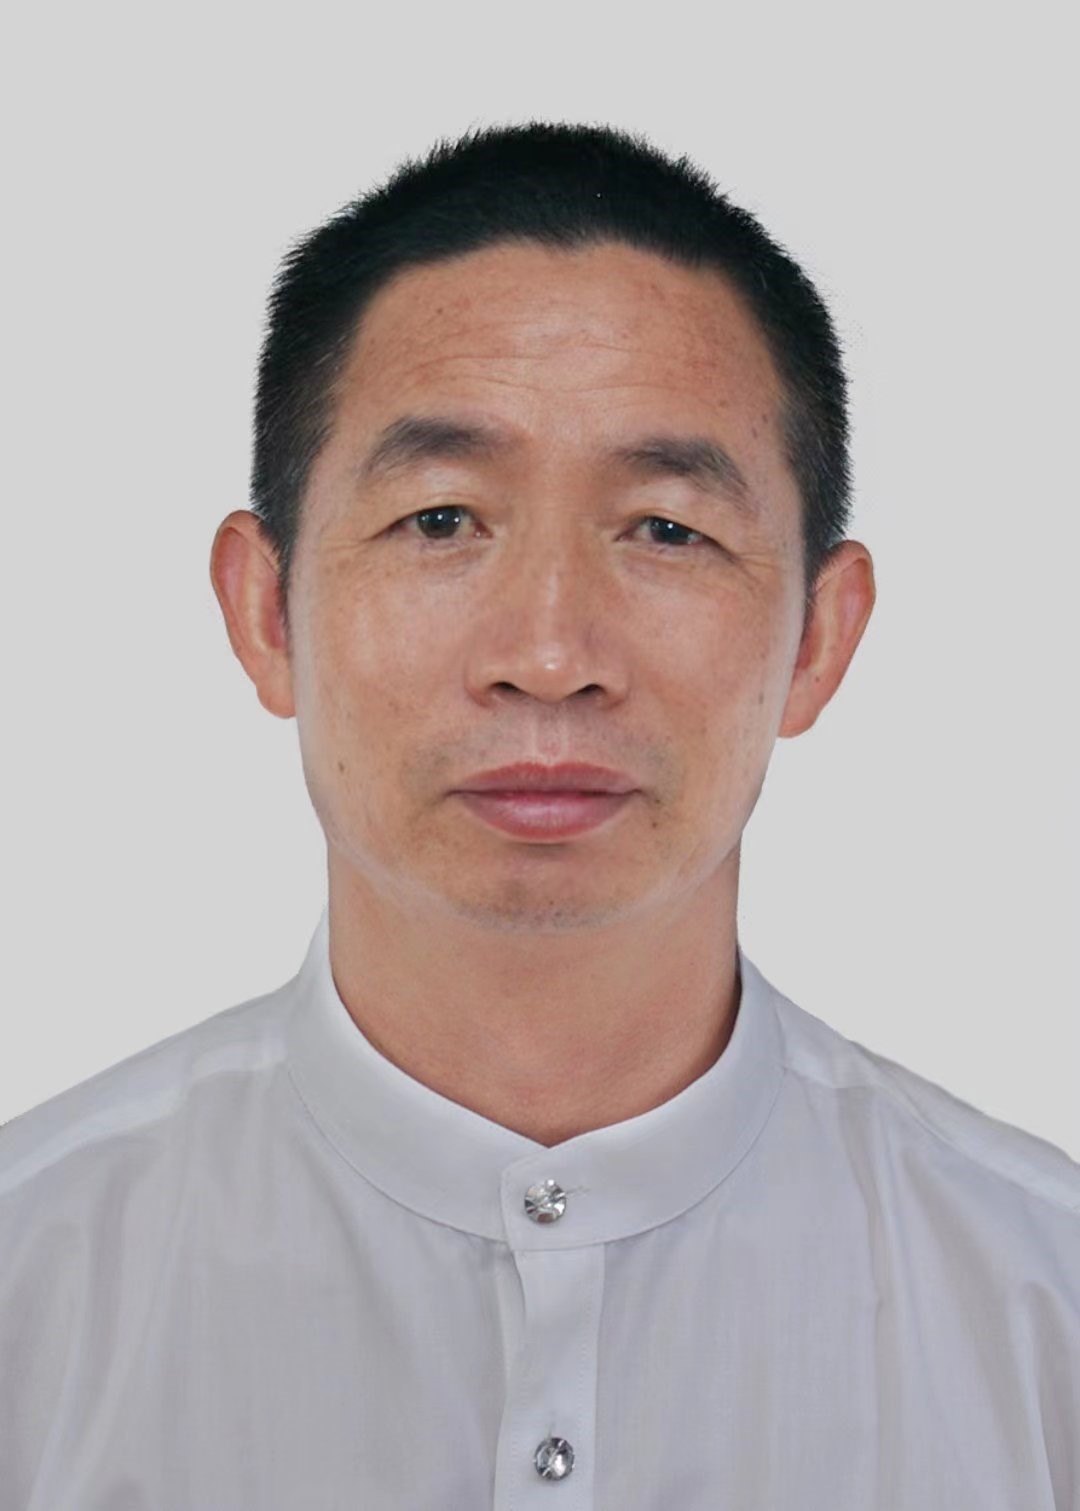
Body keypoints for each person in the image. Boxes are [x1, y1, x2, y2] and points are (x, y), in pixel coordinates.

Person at [1, 121, 1076, 1509]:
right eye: (443, 519)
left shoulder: (1040, 1312)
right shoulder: (34, 1285)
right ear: (265, 611)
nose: (552, 653)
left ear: (821, 636)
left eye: (667, 529)